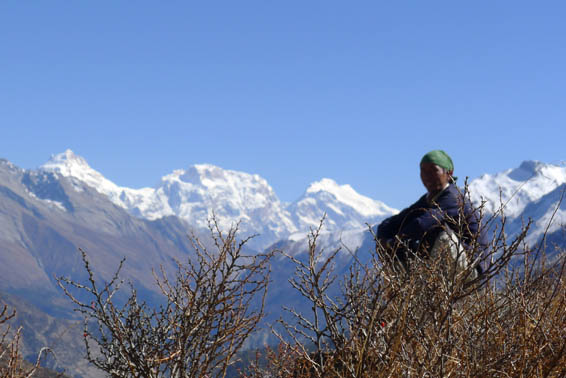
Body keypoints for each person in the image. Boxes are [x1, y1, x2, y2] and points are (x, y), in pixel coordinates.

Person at [377, 150, 488, 277]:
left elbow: (423, 223)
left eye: (433, 170)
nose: (427, 175)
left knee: (442, 235)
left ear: (449, 173)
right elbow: (394, 222)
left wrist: (394, 242)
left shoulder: (453, 197)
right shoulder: (428, 199)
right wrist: (385, 239)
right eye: (423, 171)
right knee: (396, 249)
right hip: (447, 267)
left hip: (471, 268)